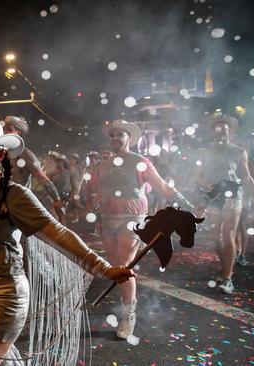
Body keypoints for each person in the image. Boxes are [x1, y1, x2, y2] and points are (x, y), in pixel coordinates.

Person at [0, 121, 134, 365]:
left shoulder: (15, 195)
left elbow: (58, 234)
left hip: (4, 296)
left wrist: (103, 267)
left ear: (0, 154)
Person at [92, 119, 196, 339]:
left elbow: (163, 187)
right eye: (112, 135)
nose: (115, 139)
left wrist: (187, 206)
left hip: (132, 219)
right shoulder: (102, 165)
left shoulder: (141, 162)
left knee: (123, 265)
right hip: (109, 220)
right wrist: (98, 217)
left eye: (120, 135)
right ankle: (127, 304)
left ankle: (128, 314)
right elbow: (99, 194)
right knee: (115, 268)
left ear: (129, 138)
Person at [194, 115, 254, 294]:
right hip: (212, 197)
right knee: (216, 236)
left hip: (233, 195)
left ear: (230, 133)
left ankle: (227, 278)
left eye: (224, 130)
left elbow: (246, 177)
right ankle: (225, 265)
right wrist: (210, 187)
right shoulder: (203, 152)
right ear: (212, 132)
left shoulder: (239, 151)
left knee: (229, 234)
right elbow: (196, 176)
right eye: (217, 129)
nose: (221, 133)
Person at [2, 116, 65, 222]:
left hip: (20, 205)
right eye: (4, 129)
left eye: (9, 129)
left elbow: (42, 178)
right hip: (1, 204)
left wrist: (57, 200)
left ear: (18, 132)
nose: (5, 132)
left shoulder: (26, 155)